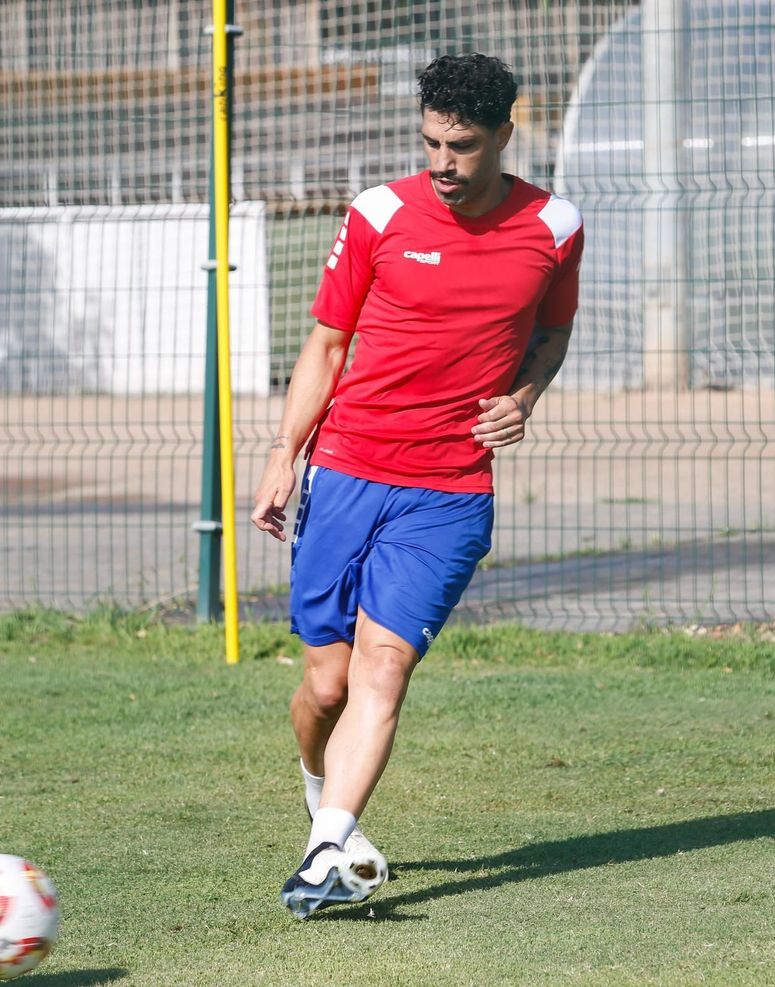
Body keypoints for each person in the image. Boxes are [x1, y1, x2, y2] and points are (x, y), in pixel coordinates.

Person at [249, 53, 583, 917]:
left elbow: (552, 334)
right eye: (431, 142)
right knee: (327, 687)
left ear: (504, 135)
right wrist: (285, 452)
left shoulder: (556, 226)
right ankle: (320, 795)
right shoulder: (379, 214)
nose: (442, 162)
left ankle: (327, 850)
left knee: (385, 663)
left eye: (461, 146)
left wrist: (523, 399)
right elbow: (328, 343)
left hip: (450, 491)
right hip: (347, 471)